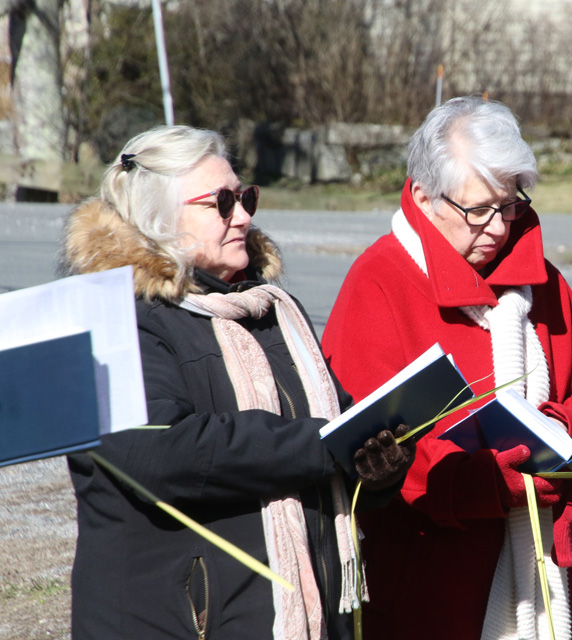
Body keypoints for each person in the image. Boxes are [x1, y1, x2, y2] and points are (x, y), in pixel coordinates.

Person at [60, 125, 414, 640]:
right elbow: (161, 451)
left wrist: (372, 467)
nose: (244, 215)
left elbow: (331, 424)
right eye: (221, 203)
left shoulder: (272, 311)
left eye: (244, 197)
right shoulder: (112, 316)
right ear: (156, 218)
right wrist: (324, 445)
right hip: (175, 621)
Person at [320, 96, 572, 639]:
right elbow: (361, 444)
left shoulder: (545, 284)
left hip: (540, 576)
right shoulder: (378, 283)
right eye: (477, 209)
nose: (497, 227)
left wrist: (553, 432)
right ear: (423, 196)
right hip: (431, 588)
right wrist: (484, 479)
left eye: (509, 206)